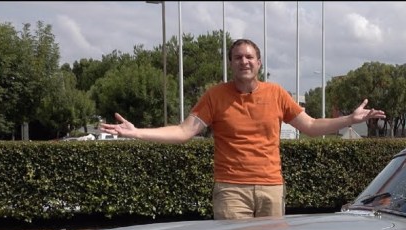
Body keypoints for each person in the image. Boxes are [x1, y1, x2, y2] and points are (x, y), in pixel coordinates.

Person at [100, 38, 386, 219]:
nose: (244, 61)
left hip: (271, 188)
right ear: (231, 64)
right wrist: (136, 132)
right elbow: (184, 131)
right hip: (230, 190)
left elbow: (310, 126)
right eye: (238, 57)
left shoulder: (276, 94)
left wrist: (350, 119)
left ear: (258, 63)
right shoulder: (215, 96)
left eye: (249, 57)